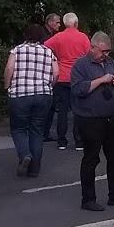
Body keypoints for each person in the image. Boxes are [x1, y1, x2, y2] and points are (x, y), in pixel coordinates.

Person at [71, 31, 114, 211]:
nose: (106, 54)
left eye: (108, 51)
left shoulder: (110, 62)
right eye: (103, 51)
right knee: (91, 158)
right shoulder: (81, 65)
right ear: (93, 47)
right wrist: (101, 80)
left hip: (112, 118)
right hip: (91, 119)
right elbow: (78, 90)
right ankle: (88, 199)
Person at [4, 23, 59, 178]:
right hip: (43, 95)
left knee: (19, 129)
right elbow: (56, 73)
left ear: (25, 35)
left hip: (20, 95)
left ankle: (25, 155)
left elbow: (9, 69)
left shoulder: (17, 50)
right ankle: (34, 169)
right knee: (37, 130)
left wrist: (7, 85)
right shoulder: (49, 52)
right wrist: (50, 86)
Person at [44, 12, 91, 151]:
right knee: (78, 110)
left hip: (62, 76)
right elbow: (89, 55)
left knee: (62, 110)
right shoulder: (83, 37)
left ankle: (61, 141)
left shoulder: (58, 37)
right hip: (78, 77)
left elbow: (44, 47)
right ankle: (78, 141)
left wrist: (56, 59)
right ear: (76, 23)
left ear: (65, 23)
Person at [41, 13, 63, 141]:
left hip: (50, 71)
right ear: (50, 22)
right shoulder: (45, 37)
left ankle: (45, 132)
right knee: (49, 104)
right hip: (47, 72)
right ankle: (43, 132)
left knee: (52, 104)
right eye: (57, 22)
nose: (59, 25)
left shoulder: (53, 36)